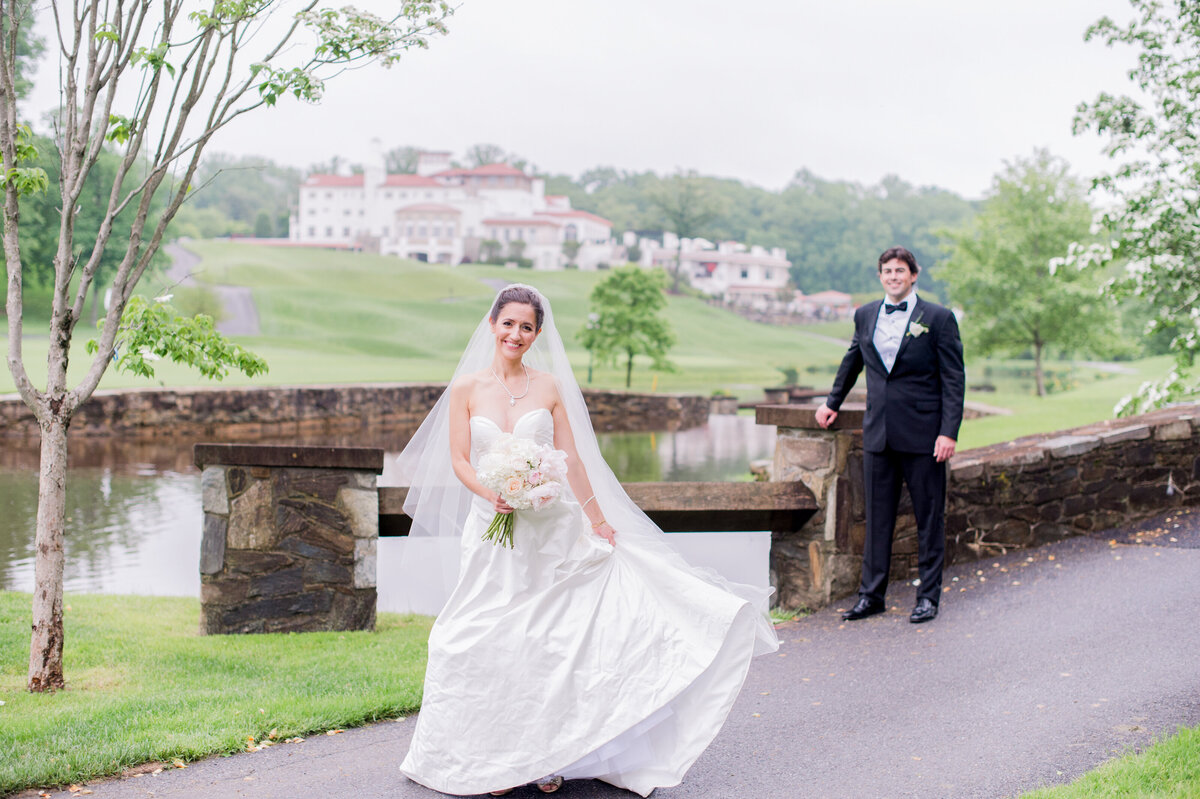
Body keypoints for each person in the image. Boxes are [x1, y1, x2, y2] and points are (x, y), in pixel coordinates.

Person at [395, 284, 779, 797]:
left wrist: (597, 518)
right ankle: (490, 760)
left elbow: (572, 459)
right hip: (493, 531)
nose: (516, 334)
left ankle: (551, 753)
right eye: (508, 323)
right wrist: (493, 491)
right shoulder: (466, 388)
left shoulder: (549, 387)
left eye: (527, 326)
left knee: (555, 642)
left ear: (537, 333)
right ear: (492, 325)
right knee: (472, 639)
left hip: (553, 529)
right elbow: (461, 460)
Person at [814, 247, 965, 624]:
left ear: (914, 275)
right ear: (880, 276)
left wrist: (948, 432)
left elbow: (953, 380)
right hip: (878, 434)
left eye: (900, 270)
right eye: (887, 270)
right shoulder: (865, 314)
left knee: (929, 519)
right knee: (877, 519)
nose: (893, 276)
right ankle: (871, 596)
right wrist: (832, 402)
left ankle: (927, 597)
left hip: (924, 436)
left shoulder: (939, 318)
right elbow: (853, 359)